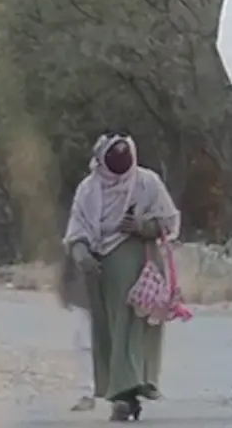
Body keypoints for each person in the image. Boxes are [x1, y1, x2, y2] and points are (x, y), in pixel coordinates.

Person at [64, 132, 181, 422]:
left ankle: (125, 396)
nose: (120, 164)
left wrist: (143, 226)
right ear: (101, 160)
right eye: (113, 158)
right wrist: (81, 253)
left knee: (132, 328)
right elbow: (77, 229)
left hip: (141, 267)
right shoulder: (89, 190)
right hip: (101, 270)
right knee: (110, 330)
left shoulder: (146, 183)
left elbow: (168, 222)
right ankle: (122, 392)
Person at [56, 253, 95, 411]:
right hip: (81, 298)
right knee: (83, 345)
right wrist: (64, 292)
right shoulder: (77, 240)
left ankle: (122, 394)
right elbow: (68, 261)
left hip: (111, 298)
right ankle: (86, 393)